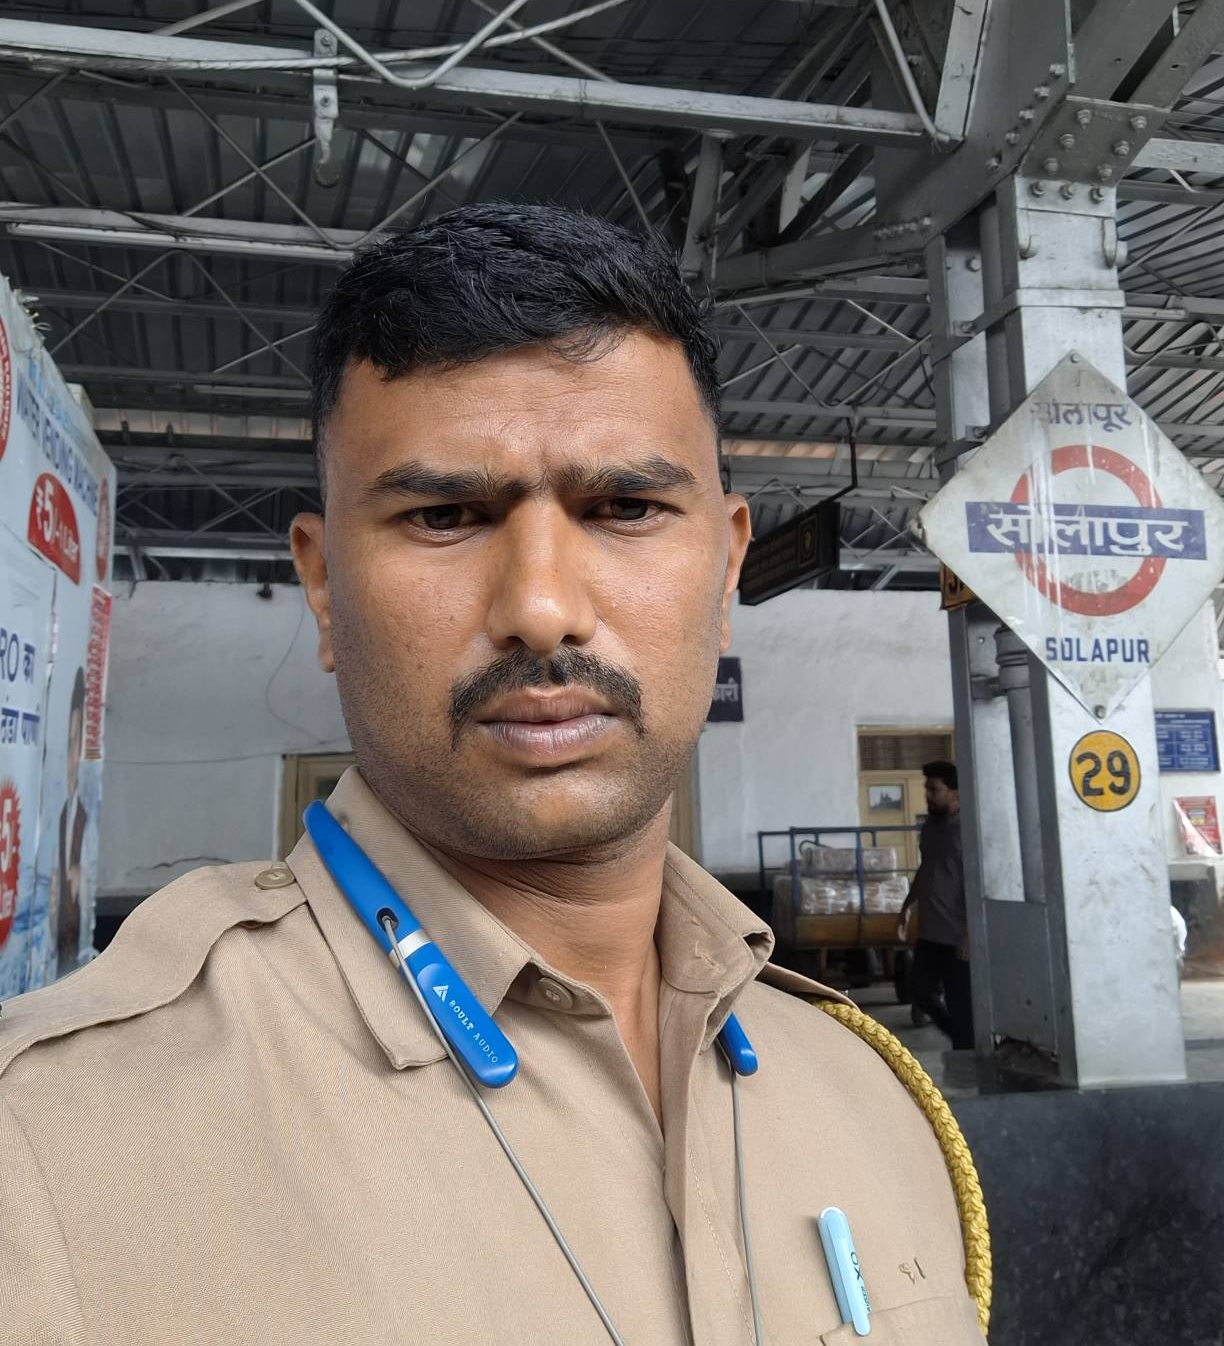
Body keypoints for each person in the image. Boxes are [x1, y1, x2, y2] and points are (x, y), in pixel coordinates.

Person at [0, 206, 985, 1344]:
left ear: (725, 570)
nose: (542, 608)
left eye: (625, 507)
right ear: (322, 587)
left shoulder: (875, 1101)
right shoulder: (53, 1152)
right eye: (445, 515)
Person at [899, 760, 974, 1052]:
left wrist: (969, 934)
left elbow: (974, 883)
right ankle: (961, 1037)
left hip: (958, 938)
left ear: (955, 794)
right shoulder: (931, 828)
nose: (928, 795)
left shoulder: (969, 831)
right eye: (927, 789)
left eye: (934, 789)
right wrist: (907, 905)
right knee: (920, 991)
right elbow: (926, 869)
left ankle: (965, 1050)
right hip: (930, 932)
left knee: (960, 1004)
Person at [53, 668, 88, 976]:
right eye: (67, 743)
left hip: (72, 965)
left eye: (75, 744)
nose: (70, 759)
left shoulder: (83, 818)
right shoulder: (60, 815)